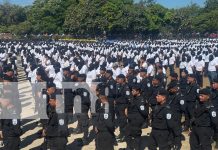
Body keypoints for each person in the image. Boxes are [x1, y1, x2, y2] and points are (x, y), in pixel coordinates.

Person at [125, 84, 149, 150]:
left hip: (136, 121)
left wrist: (140, 120)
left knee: (136, 136)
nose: (132, 92)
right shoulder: (134, 98)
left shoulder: (140, 100)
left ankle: (137, 148)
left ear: (138, 91)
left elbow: (144, 112)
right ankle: (129, 147)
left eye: (133, 90)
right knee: (127, 133)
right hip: (131, 120)